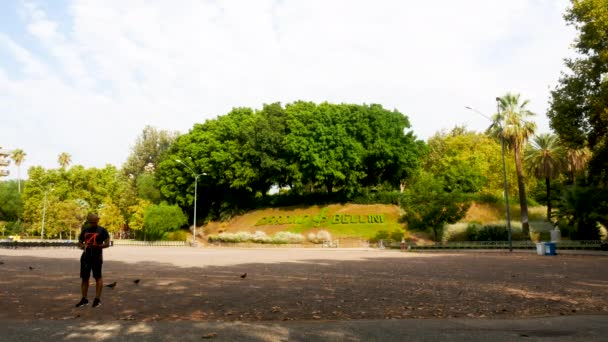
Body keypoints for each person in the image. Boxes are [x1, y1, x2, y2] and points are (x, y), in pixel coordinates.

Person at [75, 213, 110, 308]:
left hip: (97, 256)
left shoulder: (102, 230)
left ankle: (97, 299)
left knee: (98, 277)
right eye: (92, 222)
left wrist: (98, 246)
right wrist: (82, 246)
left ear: (98, 221)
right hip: (86, 256)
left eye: (95, 222)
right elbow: (79, 242)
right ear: (88, 221)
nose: (94, 224)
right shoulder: (85, 230)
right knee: (84, 278)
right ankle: (84, 299)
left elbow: (107, 244)